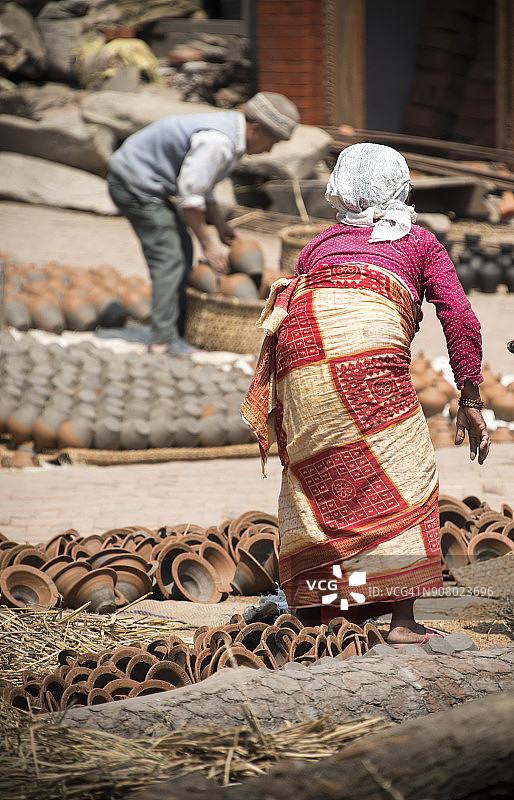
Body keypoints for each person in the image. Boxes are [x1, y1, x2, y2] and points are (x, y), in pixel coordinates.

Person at [242, 142, 490, 645]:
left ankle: (333, 609)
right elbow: (460, 320)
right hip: (364, 359)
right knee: (405, 477)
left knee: (326, 480)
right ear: (399, 186)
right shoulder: (419, 242)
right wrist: (470, 400)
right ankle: (401, 622)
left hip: (304, 355)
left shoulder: (320, 242)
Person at [107, 92, 299, 356]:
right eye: (271, 141)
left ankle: (176, 327)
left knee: (182, 249)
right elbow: (189, 199)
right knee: (169, 257)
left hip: (152, 184)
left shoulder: (231, 134)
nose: (269, 150)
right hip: (134, 183)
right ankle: (163, 341)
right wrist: (208, 245)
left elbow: (203, 186)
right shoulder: (219, 142)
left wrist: (220, 225)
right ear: (256, 128)